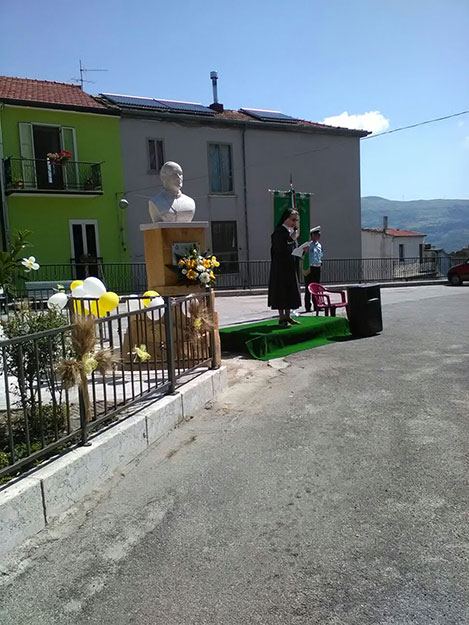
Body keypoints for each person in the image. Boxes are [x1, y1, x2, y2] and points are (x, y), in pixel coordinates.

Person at [267, 208, 302, 328]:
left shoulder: (291, 232)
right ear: (286, 218)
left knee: (290, 291)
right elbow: (279, 249)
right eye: (293, 219)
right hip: (280, 268)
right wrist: (291, 239)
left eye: (296, 220)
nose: (294, 222)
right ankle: (282, 319)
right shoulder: (279, 232)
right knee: (281, 292)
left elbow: (293, 249)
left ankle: (288, 316)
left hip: (290, 267)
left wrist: (301, 251)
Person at [303, 226, 323, 312]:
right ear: (312, 235)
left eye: (319, 235)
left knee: (317, 287)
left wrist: (320, 261)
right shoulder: (308, 245)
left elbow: (320, 254)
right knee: (309, 288)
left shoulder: (319, 245)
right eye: (316, 235)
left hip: (317, 267)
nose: (318, 236)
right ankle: (308, 306)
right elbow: (303, 255)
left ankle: (317, 305)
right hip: (310, 267)